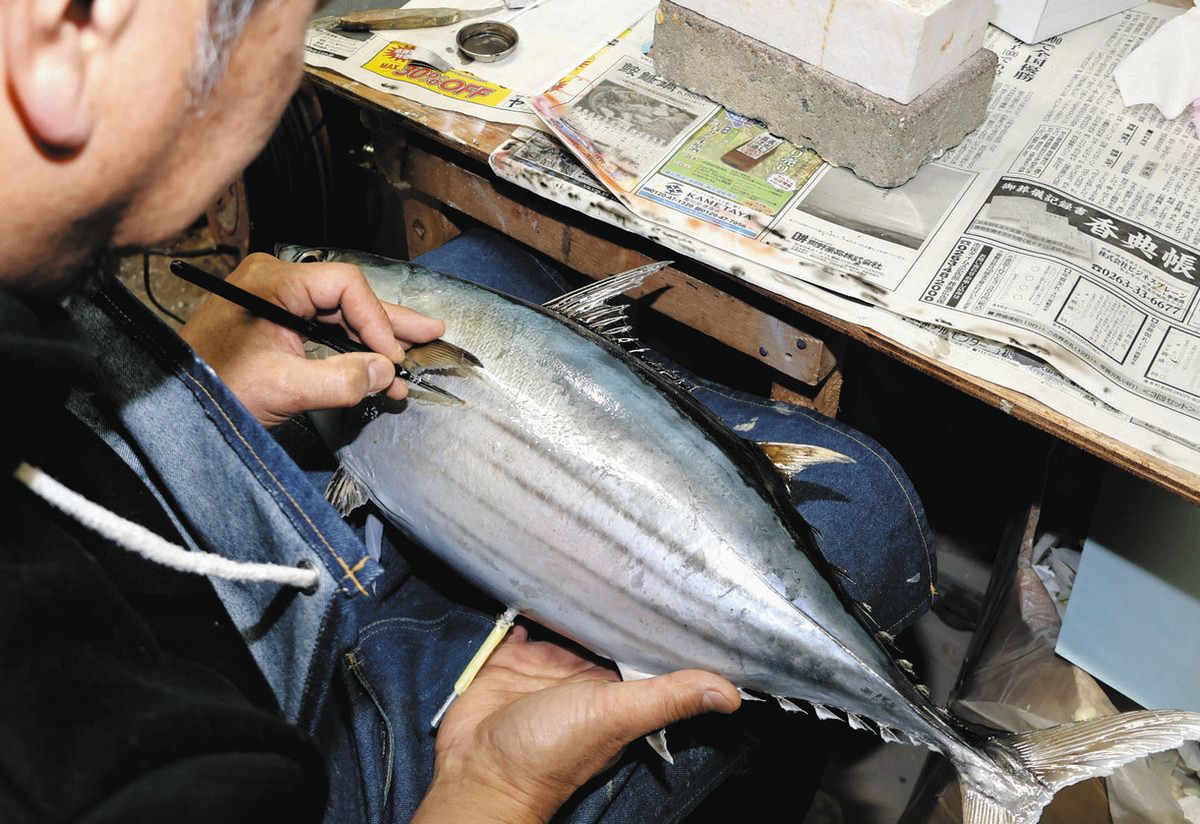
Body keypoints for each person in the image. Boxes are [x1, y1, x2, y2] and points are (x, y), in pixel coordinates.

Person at [0, 1, 934, 822]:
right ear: (70, 27)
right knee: (873, 506)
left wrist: (194, 409)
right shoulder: (87, 748)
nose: (289, 54)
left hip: (179, 610)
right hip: (333, 756)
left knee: (480, 276)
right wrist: (496, 786)